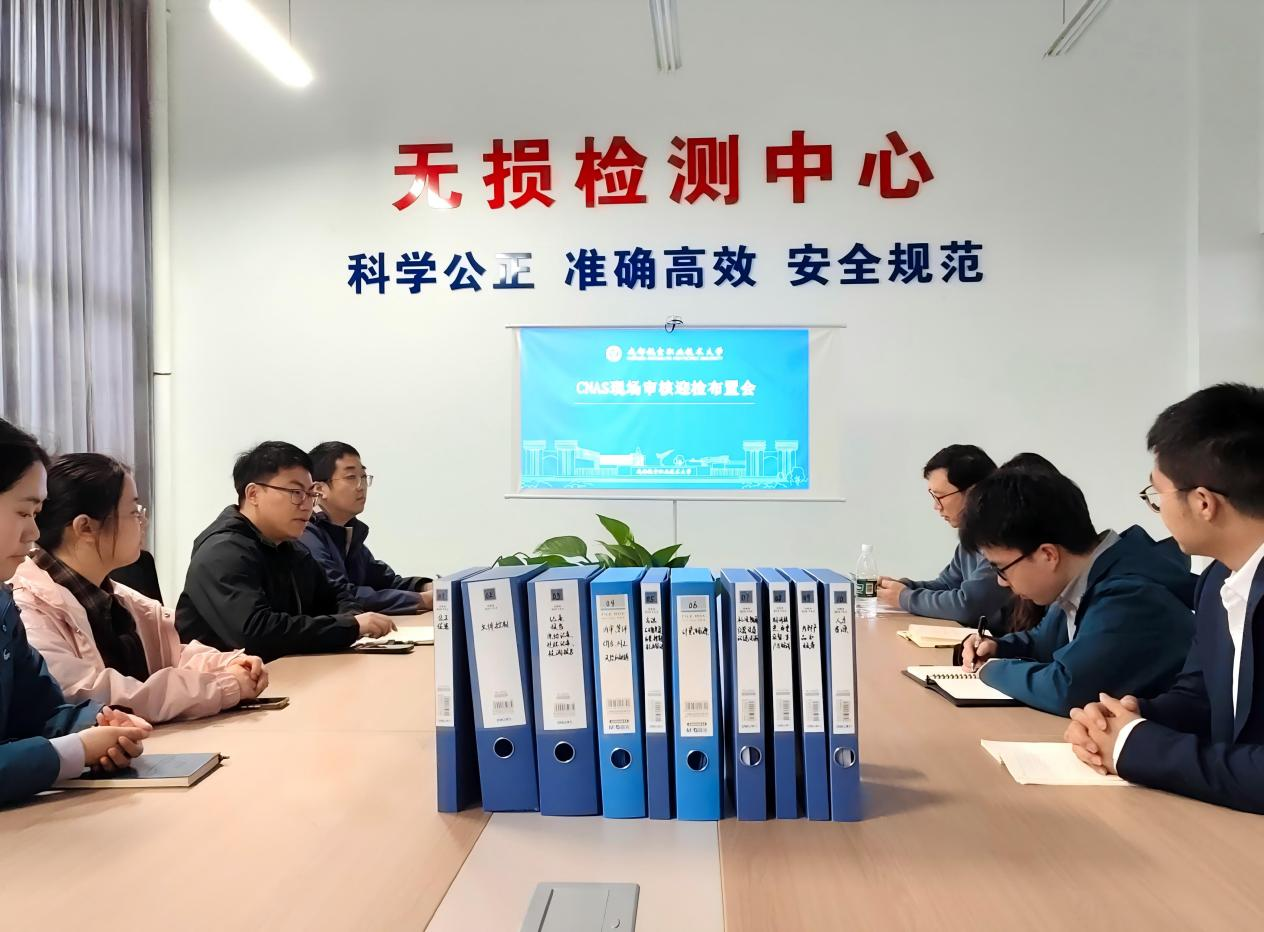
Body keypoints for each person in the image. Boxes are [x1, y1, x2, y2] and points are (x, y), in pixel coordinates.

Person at [1065, 384, 1264, 813]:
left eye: (1156, 495)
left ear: (1204, 503)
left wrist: (1137, 747)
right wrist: (1129, 719)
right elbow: (1201, 698)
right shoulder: (1217, 581)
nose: (1156, 509)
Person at [12, 453, 269, 722]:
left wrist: (228, 664)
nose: (143, 523)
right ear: (85, 527)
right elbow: (93, 693)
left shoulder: (114, 597)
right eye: (134, 512)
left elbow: (171, 655)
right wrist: (223, 686)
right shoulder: (26, 607)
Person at [958, 468, 1196, 716]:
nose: (1001, 582)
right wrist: (997, 647)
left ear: (1048, 555)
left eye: (1001, 568)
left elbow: (1067, 689)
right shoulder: (1085, 576)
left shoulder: (1128, 595)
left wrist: (990, 669)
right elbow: (1046, 641)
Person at [0, 419, 149, 806]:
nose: (34, 534)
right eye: (24, 513)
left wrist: (99, 722)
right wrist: (74, 751)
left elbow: (41, 710)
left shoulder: (2, 604)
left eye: (38, 514)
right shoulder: (27, 596)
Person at [175, 442, 395, 661]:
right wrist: (349, 626)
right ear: (253, 494)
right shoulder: (222, 552)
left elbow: (338, 598)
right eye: (296, 493)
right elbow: (255, 633)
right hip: (228, 680)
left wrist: (352, 620)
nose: (307, 505)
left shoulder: (292, 549)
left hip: (289, 671)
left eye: (310, 494)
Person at [877, 444, 1010, 626]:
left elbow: (968, 606)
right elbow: (948, 585)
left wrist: (905, 597)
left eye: (940, 496)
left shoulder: (1003, 539)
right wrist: (905, 587)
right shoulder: (970, 535)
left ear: (973, 492)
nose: (936, 506)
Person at [300, 442, 432, 615]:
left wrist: (427, 587)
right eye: (350, 477)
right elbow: (342, 594)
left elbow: (384, 581)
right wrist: (422, 600)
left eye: (363, 477)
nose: (361, 486)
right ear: (319, 489)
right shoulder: (306, 533)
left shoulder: (348, 531)